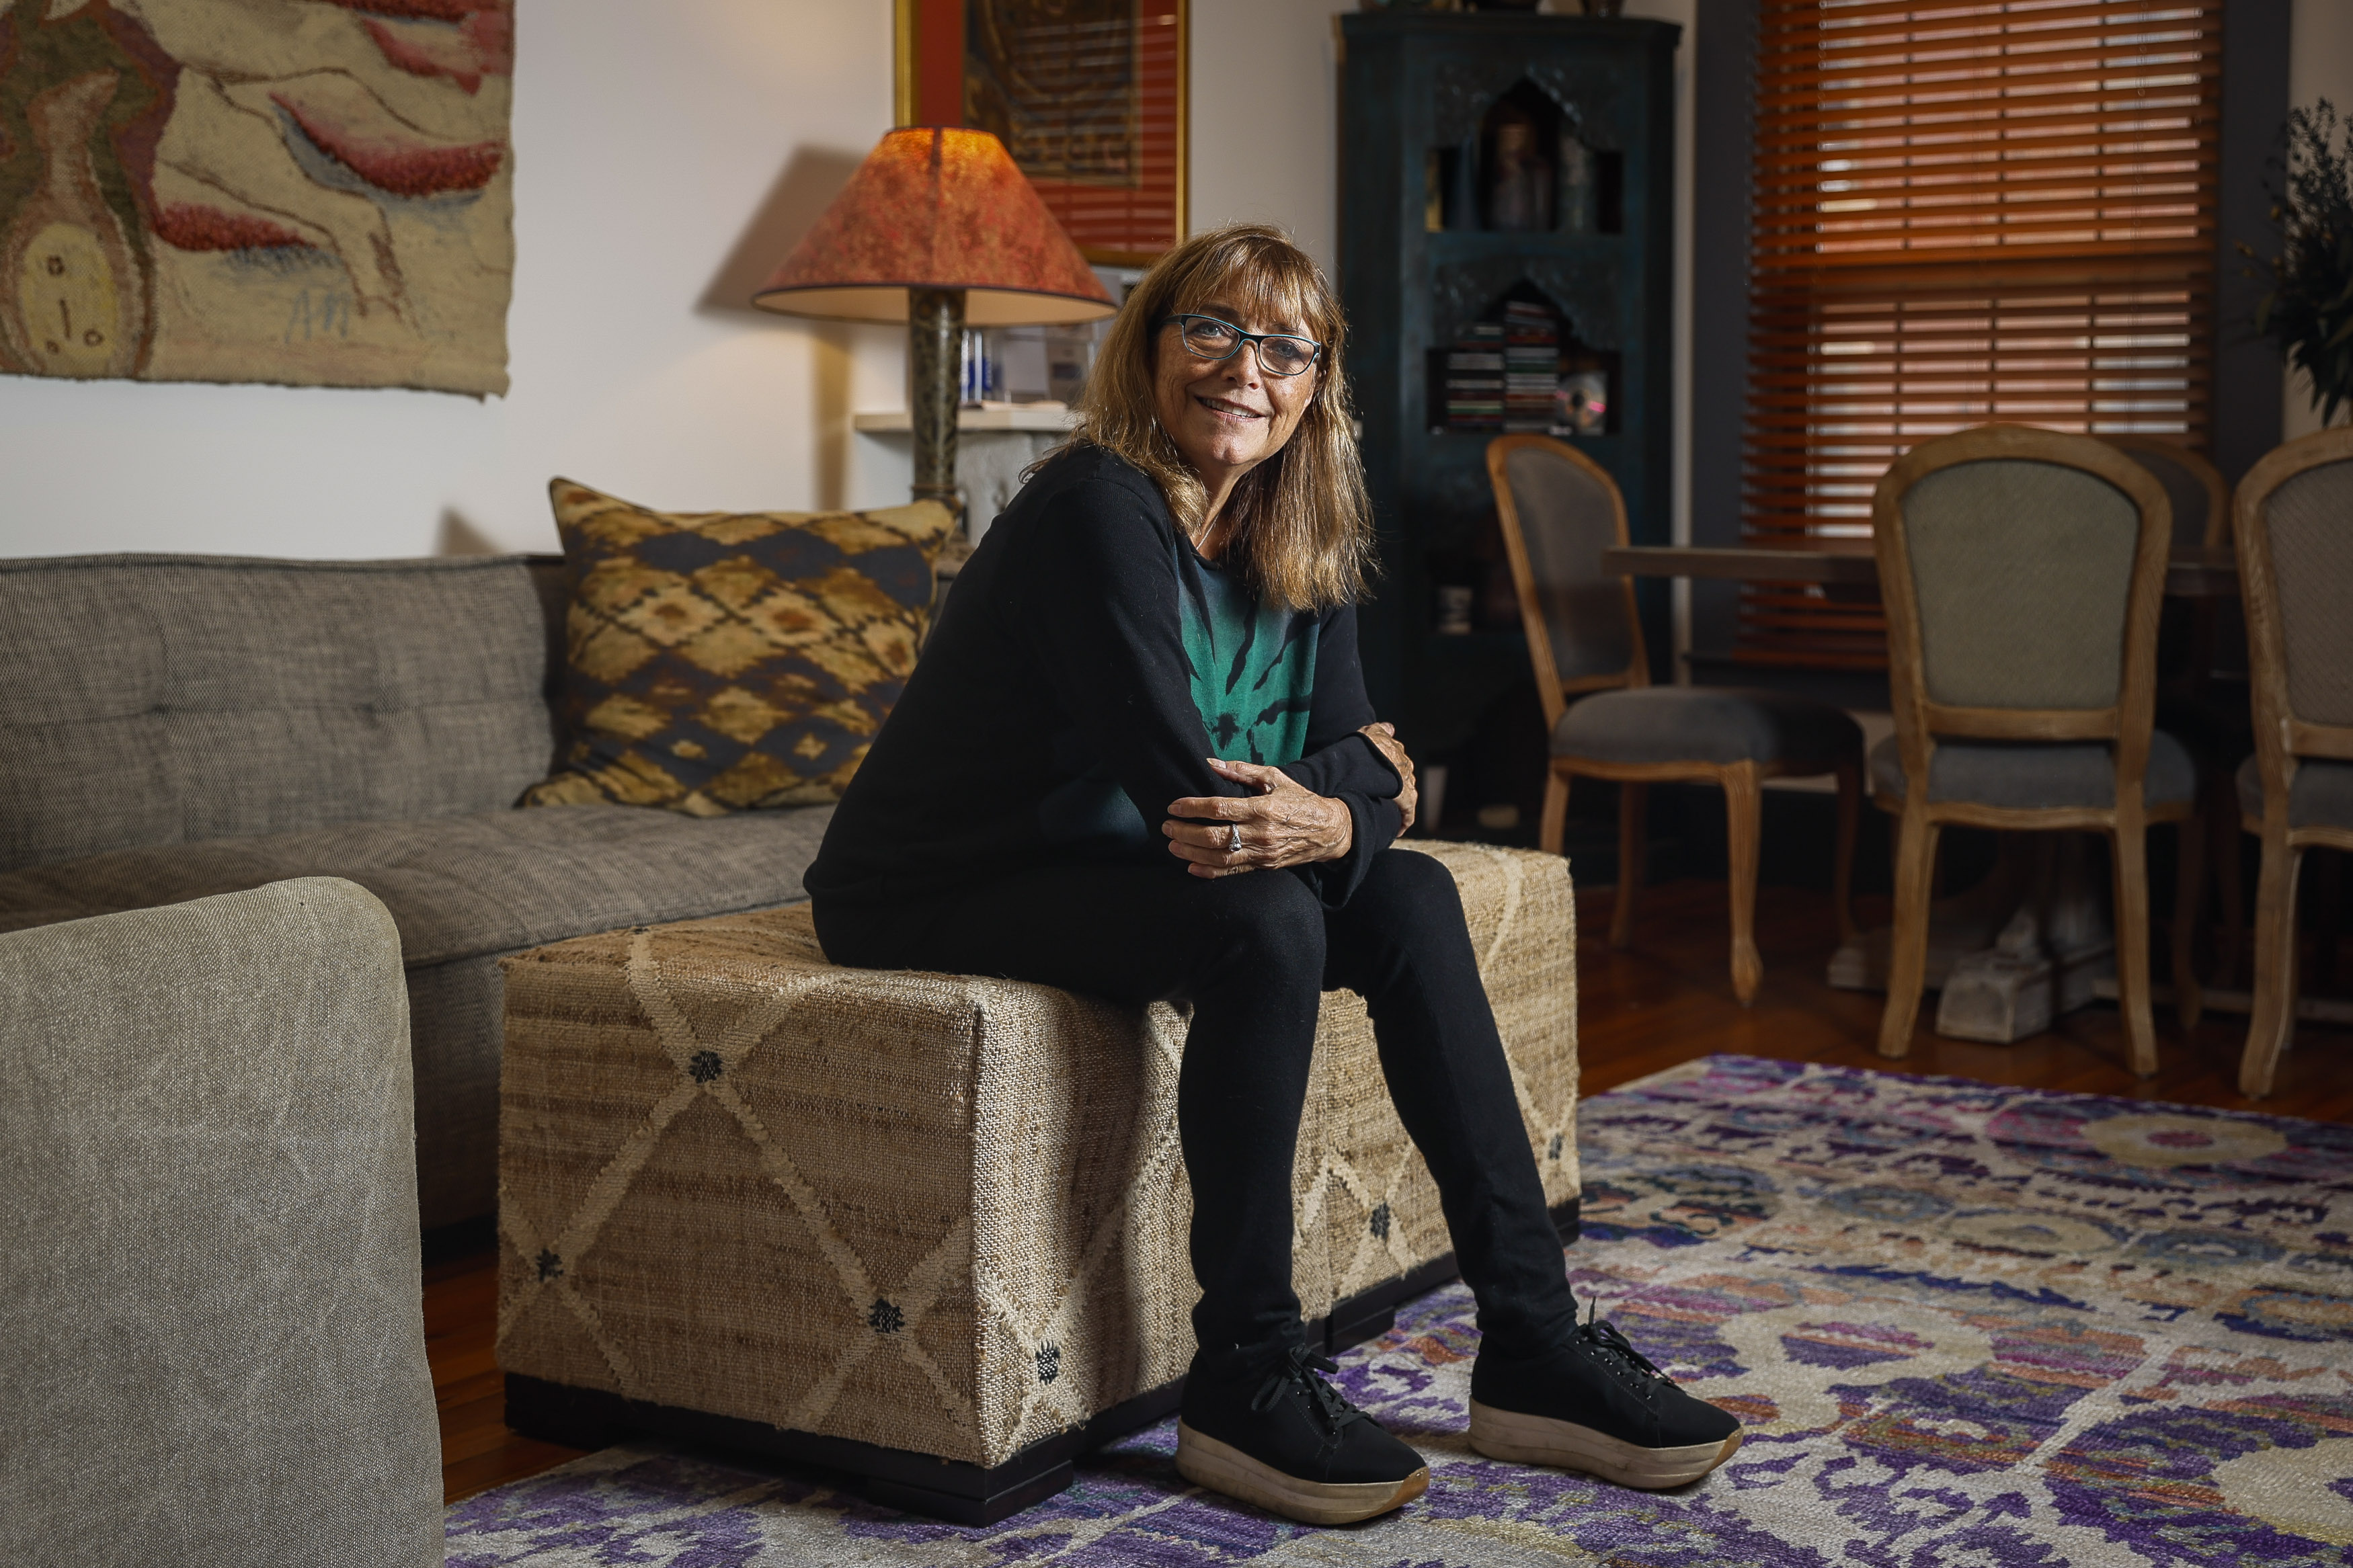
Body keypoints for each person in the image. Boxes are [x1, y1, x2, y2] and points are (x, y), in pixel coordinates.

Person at [806, 224, 1739, 1525]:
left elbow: (1366, 763)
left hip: (1114, 863)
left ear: (1316, 385)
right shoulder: (1093, 505)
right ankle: (1245, 1371)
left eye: (1284, 345)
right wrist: (1369, 795)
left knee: (1409, 898)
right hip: (936, 882)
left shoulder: (1301, 529)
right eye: (1214, 328)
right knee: (1258, 919)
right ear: (1153, 345)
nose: (1246, 366)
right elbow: (1198, 793)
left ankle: (1532, 1341)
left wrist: (1360, 808)